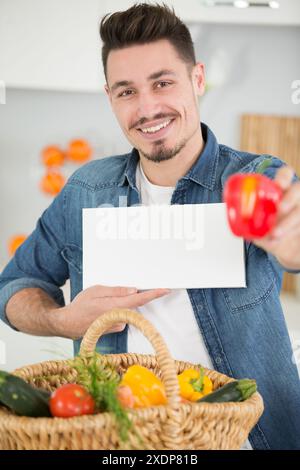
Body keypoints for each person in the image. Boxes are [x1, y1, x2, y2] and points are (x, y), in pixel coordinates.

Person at [0, 3, 300, 450]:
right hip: (122, 441)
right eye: (126, 91)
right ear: (110, 97)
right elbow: (13, 287)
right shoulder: (85, 189)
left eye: (163, 82)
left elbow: (293, 243)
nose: (147, 107)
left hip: (253, 437)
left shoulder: (257, 178)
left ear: (197, 79)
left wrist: (292, 249)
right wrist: (64, 320)